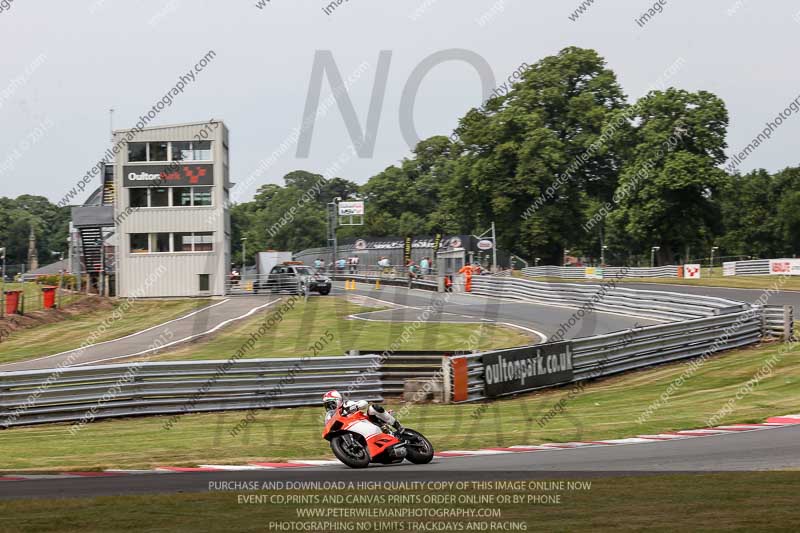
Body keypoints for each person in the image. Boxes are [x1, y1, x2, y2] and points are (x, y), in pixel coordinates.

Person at [322, 390, 403, 431]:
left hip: (368, 422)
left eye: (331, 404)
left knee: (373, 408)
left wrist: (354, 407)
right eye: (327, 406)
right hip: (355, 431)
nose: (329, 407)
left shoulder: (346, 404)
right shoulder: (330, 417)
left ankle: (399, 427)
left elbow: (364, 403)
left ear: (338, 401)